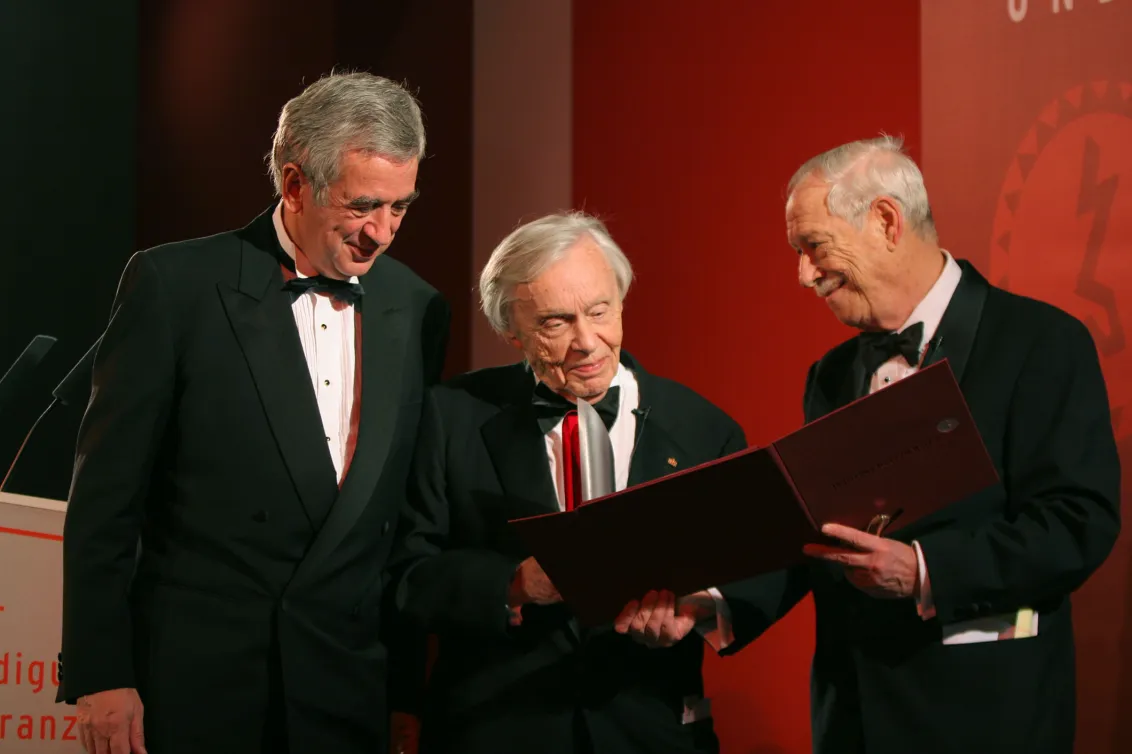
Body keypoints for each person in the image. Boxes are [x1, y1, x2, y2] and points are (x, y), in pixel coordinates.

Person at [620, 135, 1121, 753]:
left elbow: (1077, 523)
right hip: (852, 720)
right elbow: (814, 534)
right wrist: (711, 603)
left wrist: (924, 570)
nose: (804, 275)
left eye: (814, 246)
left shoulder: (1040, 342)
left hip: (987, 718)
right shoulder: (831, 375)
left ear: (886, 221)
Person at [57, 71, 450, 754]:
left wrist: (405, 696)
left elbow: (403, 524)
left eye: (400, 207)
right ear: (294, 185)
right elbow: (106, 501)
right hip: (198, 687)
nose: (382, 233)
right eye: (363, 206)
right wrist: (102, 673)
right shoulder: (176, 286)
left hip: (344, 689)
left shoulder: (416, 307)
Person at [386, 212, 745, 754]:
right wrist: (513, 584)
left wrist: (698, 607)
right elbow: (406, 575)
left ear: (621, 302)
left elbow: (760, 556)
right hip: (495, 730)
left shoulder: (704, 427)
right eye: (555, 323)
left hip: (652, 731)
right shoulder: (450, 416)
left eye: (600, 311)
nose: (586, 341)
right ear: (511, 331)